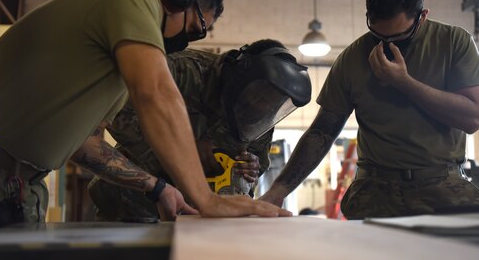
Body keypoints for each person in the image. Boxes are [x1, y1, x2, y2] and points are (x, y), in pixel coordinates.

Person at [0, 0, 290, 236]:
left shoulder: (109, 73)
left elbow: (85, 144)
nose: (189, 41)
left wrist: (158, 188)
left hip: (12, 185)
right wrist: (205, 198)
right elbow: (157, 93)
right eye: (195, 29)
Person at [260, 0, 479, 219]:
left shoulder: (453, 43)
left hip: (442, 186)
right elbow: (322, 131)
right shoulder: (352, 58)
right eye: (377, 34)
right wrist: (278, 190)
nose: (386, 44)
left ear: (422, 16)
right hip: (376, 191)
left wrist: (405, 83)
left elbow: (473, 118)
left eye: (400, 37)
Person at [87, 39, 312, 222]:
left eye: (269, 103)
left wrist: (249, 169)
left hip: (204, 221)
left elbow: (258, 161)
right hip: (131, 209)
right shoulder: (181, 70)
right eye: (259, 98)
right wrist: (183, 152)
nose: (261, 106)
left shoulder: (262, 112)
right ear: (242, 80)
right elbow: (119, 117)